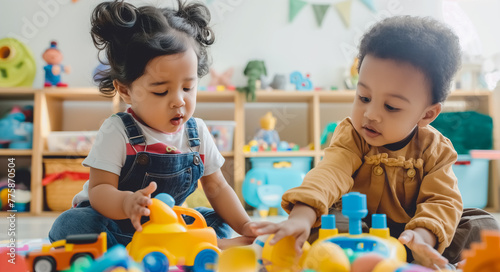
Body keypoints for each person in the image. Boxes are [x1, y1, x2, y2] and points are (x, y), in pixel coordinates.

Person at [253, 16, 499, 269]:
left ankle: (421, 256)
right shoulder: (351, 135)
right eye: (363, 97)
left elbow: (442, 200)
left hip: (411, 233)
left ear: (427, 114)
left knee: (482, 224)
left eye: (391, 106)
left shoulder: (436, 149)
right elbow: (330, 172)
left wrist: (423, 238)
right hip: (358, 229)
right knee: (329, 222)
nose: (370, 114)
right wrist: (301, 217)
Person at [49, 0, 258, 249]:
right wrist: (127, 204)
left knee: (214, 219)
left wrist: (246, 226)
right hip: (117, 222)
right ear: (125, 90)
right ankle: (183, 247)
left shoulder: (197, 132)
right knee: (70, 225)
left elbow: (217, 188)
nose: (179, 101)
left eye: (188, 87)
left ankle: (182, 243)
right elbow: (100, 190)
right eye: (161, 91)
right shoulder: (117, 131)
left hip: (167, 224)